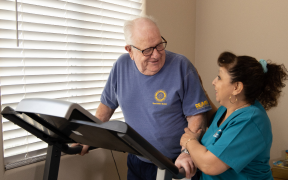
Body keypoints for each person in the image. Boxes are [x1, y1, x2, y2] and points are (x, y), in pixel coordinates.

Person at [77, 16, 214, 180]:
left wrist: (186, 152)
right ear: (130, 50)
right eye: (147, 50)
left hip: (176, 163)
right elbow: (105, 109)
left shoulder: (181, 66)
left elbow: (197, 116)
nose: (156, 55)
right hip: (137, 159)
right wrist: (88, 135)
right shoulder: (121, 67)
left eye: (159, 45)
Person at [180, 51, 288, 180]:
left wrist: (189, 141)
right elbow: (217, 126)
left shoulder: (250, 121)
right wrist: (199, 87)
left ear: (237, 87)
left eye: (219, 77)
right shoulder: (229, 109)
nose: (214, 82)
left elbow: (209, 165)